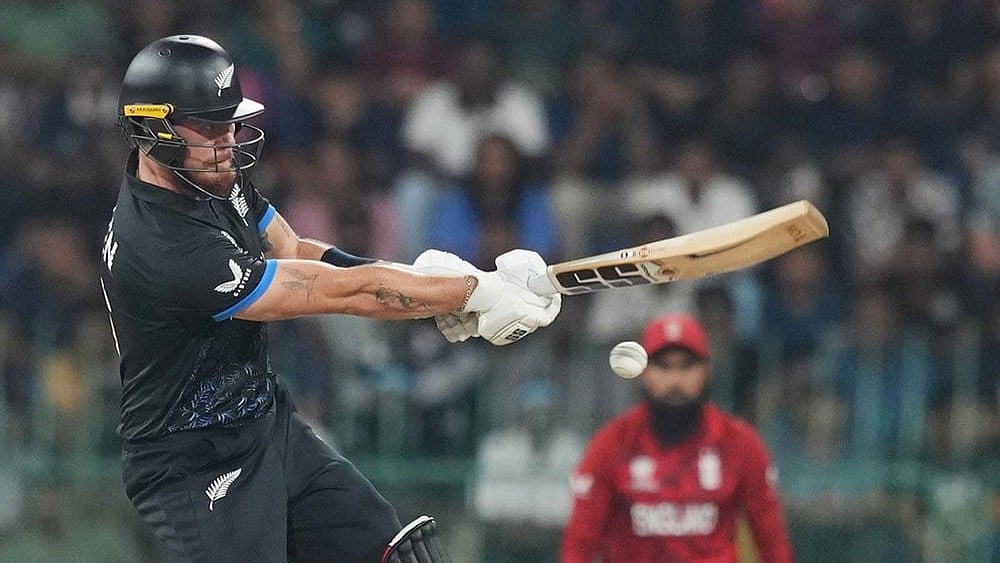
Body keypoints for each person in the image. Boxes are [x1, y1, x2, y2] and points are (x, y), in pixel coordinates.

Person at [100, 35, 561, 563]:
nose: (228, 140)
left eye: (230, 122)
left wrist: (426, 284)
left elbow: (297, 251)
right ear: (149, 128)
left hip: (266, 426)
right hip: (191, 463)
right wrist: (469, 291)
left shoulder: (213, 175)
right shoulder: (161, 245)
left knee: (397, 553)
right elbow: (329, 292)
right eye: (209, 126)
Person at [560, 313, 793, 562]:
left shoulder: (740, 443)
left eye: (686, 366)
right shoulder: (612, 443)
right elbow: (580, 543)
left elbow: (772, 541)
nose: (675, 380)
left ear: (705, 370)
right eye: (664, 366)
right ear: (644, 372)